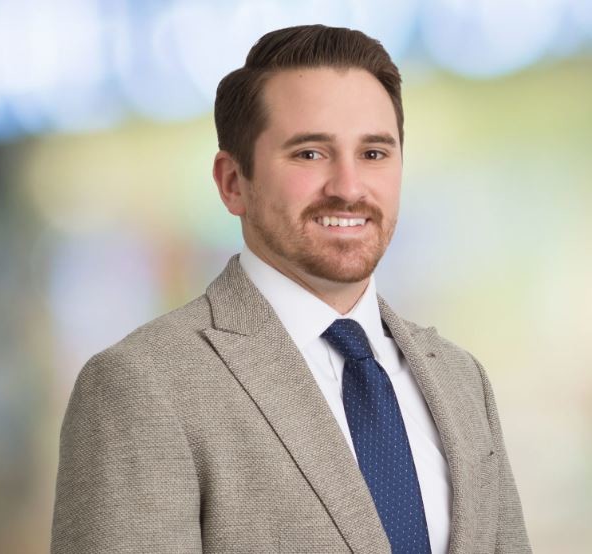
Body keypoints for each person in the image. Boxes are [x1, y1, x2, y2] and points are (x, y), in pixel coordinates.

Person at [51, 24, 531, 554]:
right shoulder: (143, 386)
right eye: (309, 154)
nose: (349, 188)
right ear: (233, 182)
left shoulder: (461, 380)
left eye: (374, 153)